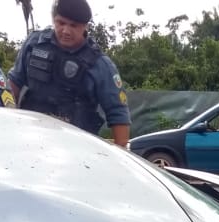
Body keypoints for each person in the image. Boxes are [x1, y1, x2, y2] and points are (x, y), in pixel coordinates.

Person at [8, 0, 131, 147]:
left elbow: (118, 113)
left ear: (85, 26)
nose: (66, 31)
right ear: (54, 19)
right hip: (30, 138)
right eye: (61, 23)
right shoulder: (34, 44)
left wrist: (120, 153)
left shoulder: (100, 65)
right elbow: (13, 85)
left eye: (73, 25)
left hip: (77, 148)